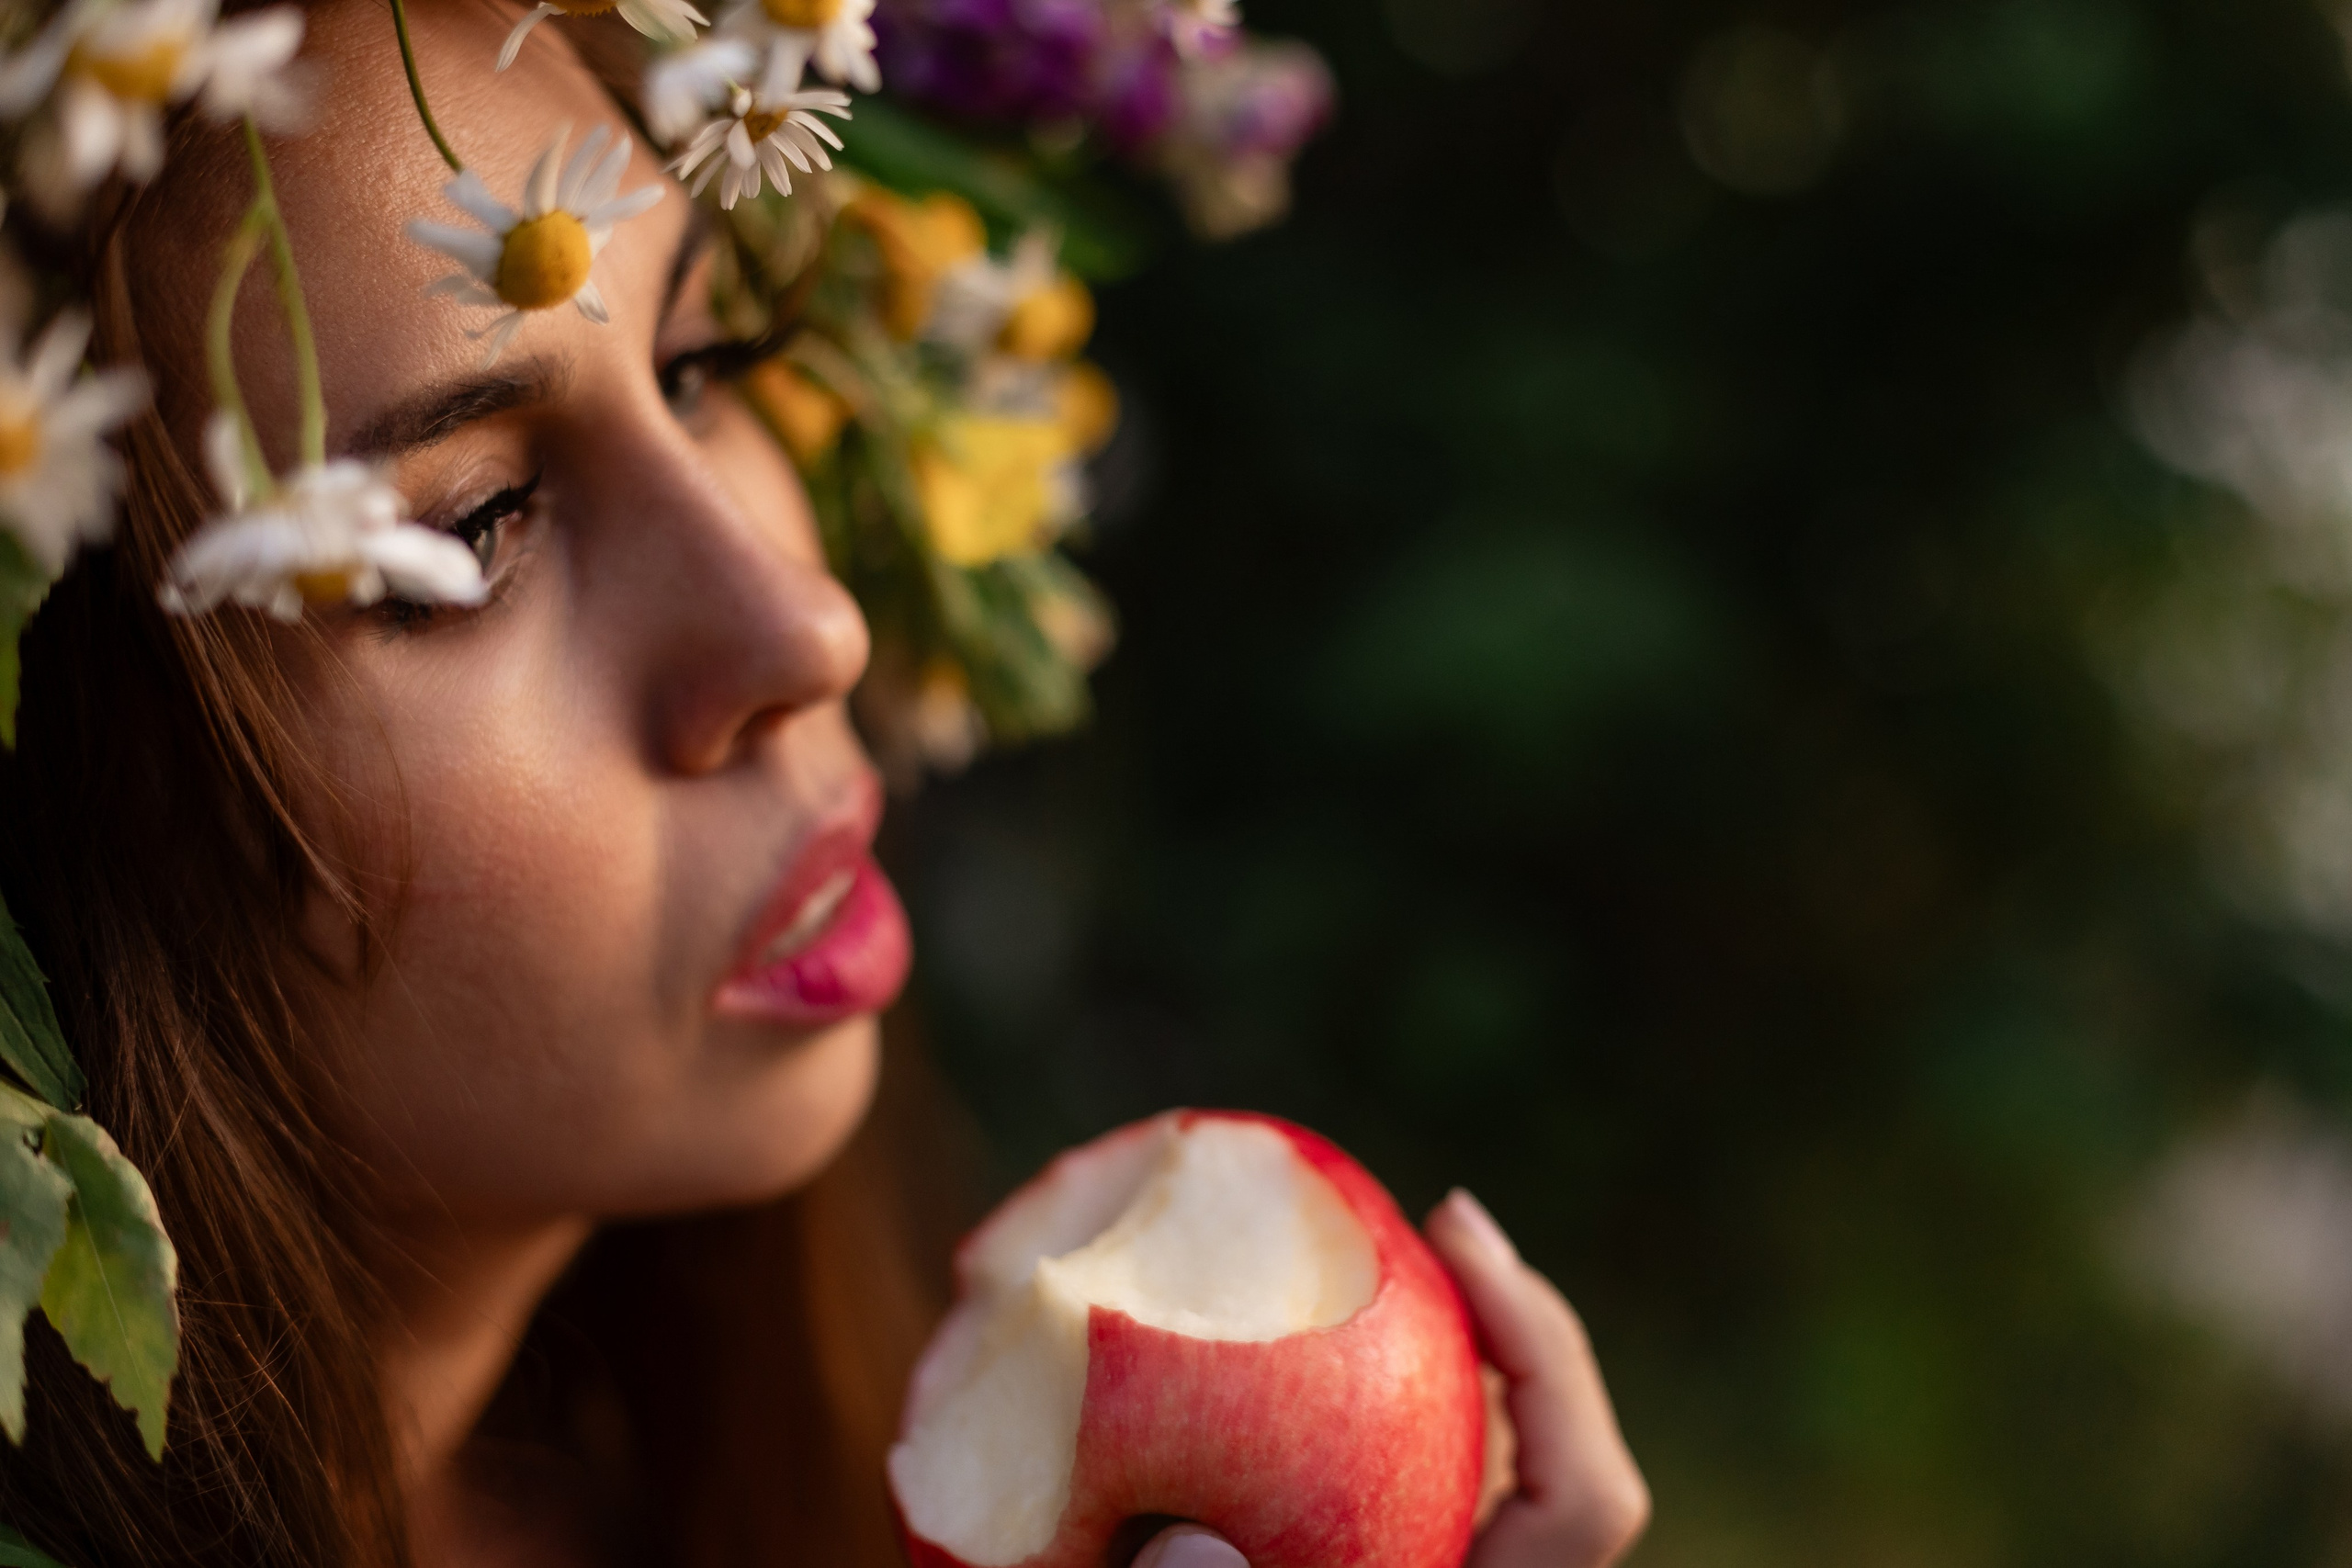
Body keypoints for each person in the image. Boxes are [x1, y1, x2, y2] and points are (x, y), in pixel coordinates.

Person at [0, 0, 1651, 1563]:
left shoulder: (723, 1492)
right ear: (68, 775)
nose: (812, 624)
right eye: (476, 528)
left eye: (707, 367)